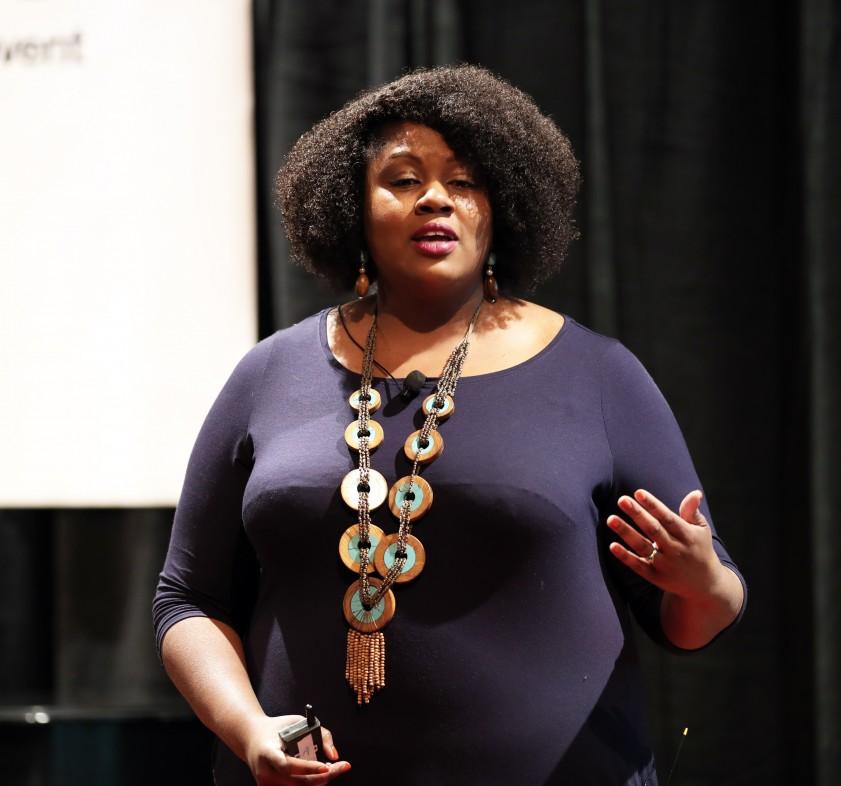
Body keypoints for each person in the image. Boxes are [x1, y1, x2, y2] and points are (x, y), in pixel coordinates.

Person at [153, 64, 746, 786]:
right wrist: (248, 730)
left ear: (500, 209)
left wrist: (701, 579)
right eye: (402, 180)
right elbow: (187, 600)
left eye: (464, 183)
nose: (435, 198)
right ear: (352, 209)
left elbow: (696, 618)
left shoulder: (600, 376)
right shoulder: (269, 374)